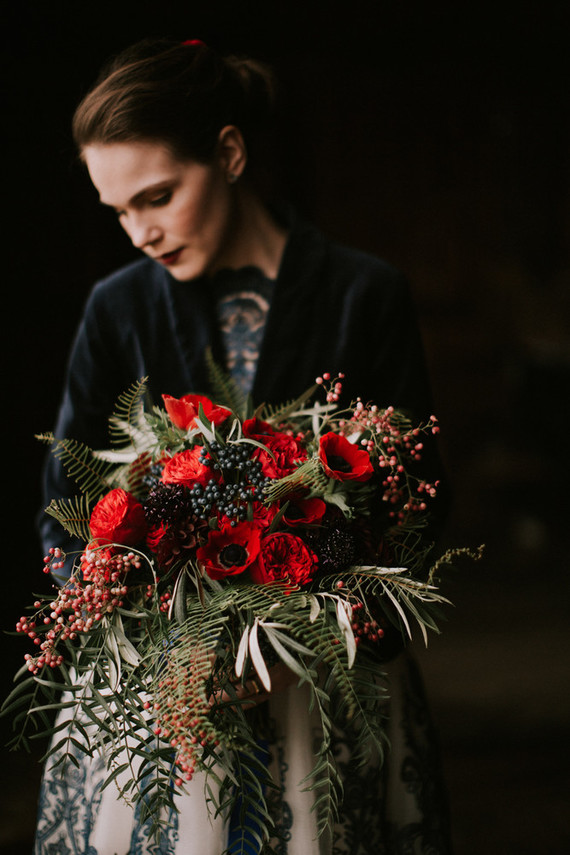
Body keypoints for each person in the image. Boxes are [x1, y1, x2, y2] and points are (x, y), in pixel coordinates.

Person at [34, 37, 452, 855]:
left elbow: (419, 516)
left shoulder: (363, 294)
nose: (139, 232)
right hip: (165, 701)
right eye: (117, 210)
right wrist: (138, 629)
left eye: (156, 195)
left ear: (228, 152)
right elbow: (66, 508)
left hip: (323, 696)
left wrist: (318, 636)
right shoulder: (117, 308)